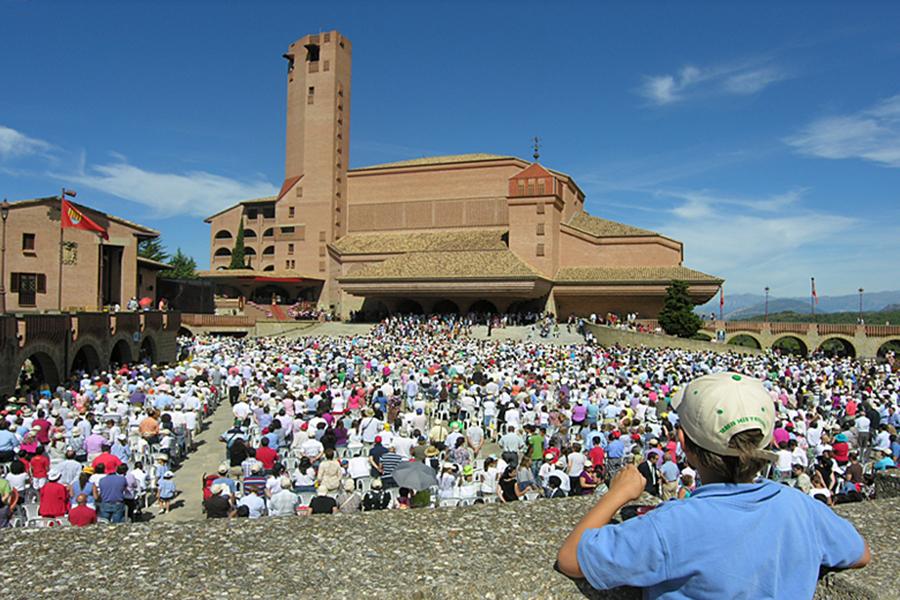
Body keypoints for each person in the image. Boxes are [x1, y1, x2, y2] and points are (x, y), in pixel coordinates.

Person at [557, 372, 870, 598]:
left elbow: (571, 559)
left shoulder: (670, 525)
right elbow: (860, 554)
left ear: (685, 445)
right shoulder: (801, 507)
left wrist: (618, 493)